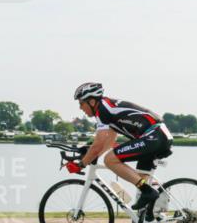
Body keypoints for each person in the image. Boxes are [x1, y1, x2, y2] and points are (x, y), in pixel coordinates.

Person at [68, 82, 173, 211]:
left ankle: (149, 192)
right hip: (158, 136)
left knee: (109, 160)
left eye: (81, 103)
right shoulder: (107, 108)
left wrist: (81, 164)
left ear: (92, 102)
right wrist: (94, 156)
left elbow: (99, 142)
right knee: (140, 182)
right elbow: (110, 140)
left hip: (153, 136)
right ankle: (148, 218)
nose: (80, 107)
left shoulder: (103, 110)